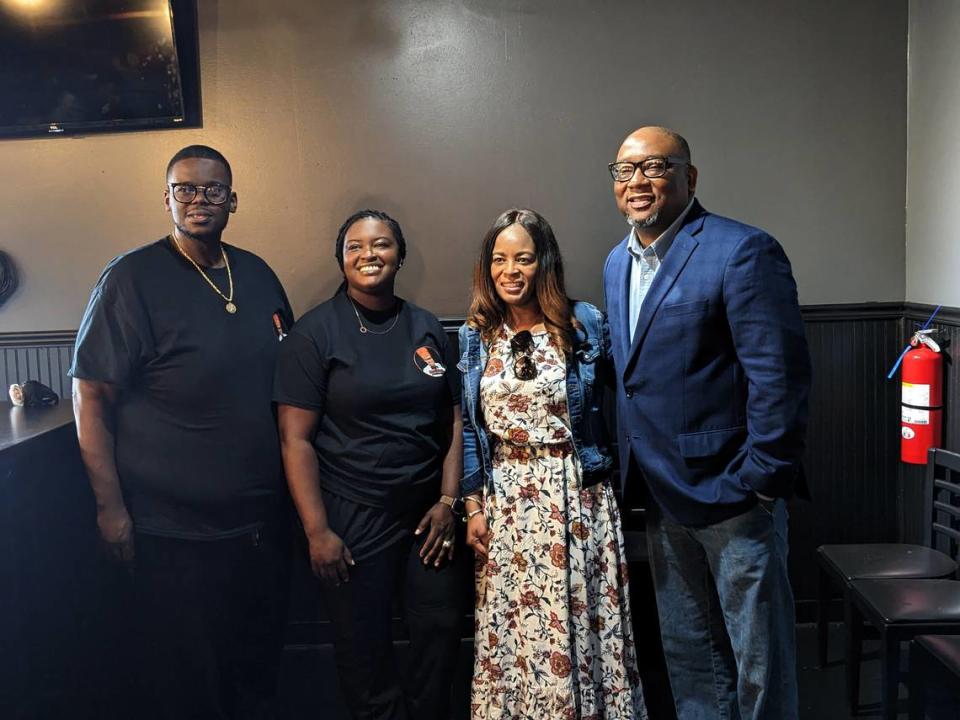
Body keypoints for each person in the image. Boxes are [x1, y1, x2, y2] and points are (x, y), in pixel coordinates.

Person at [71, 145, 293, 719]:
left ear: (233, 200)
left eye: (213, 190)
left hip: (257, 527)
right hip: (172, 533)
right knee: (186, 687)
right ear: (166, 198)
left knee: (255, 675)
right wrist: (109, 508)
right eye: (186, 189)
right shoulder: (130, 278)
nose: (199, 200)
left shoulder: (259, 275)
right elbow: (90, 394)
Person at [603, 126, 811, 720]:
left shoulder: (742, 250)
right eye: (624, 170)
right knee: (691, 656)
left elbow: (781, 377)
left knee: (758, 663)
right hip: (660, 494)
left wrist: (763, 479)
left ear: (688, 178)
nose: (637, 181)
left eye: (655, 167)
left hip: (736, 497)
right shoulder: (618, 262)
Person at [273, 209, 468, 720]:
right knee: (364, 647)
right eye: (355, 247)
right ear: (341, 259)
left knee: (441, 628)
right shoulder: (314, 335)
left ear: (399, 255)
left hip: (429, 514)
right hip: (353, 515)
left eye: (380, 244)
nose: (368, 255)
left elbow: (453, 423)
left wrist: (448, 502)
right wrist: (317, 531)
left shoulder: (425, 325)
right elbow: (295, 441)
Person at [460, 208, 647, 720]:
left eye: (523, 257)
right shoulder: (476, 335)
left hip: (574, 493)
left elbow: (631, 397)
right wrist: (473, 504)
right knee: (517, 635)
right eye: (499, 259)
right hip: (507, 502)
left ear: (545, 261)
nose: (510, 271)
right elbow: (474, 432)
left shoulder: (582, 323)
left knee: (581, 627)